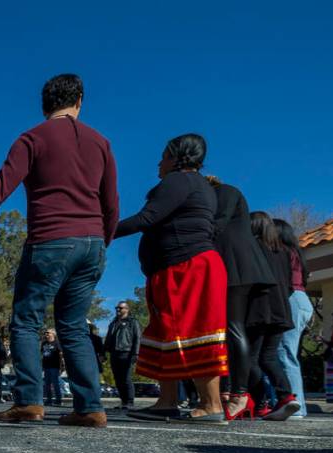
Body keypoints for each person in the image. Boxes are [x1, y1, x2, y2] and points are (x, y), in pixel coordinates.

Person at [0, 74, 117, 428]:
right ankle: (90, 407)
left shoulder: (32, 138)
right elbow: (111, 203)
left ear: (44, 104)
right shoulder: (102, 143)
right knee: (74, 326)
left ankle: (29, 402)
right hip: (92, 244)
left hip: (51, 240)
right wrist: (102, 243)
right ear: (79, 100)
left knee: (26, 322)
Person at [115, 133, 228, 425]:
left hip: (188, 267)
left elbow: (146, 218)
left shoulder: (181, 181)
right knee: (168, 332)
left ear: (178, 158)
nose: (158, 162)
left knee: (194, 331)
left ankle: (211, 404)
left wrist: (103, 231)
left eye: (164, 156)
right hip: (175, 268)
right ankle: (166, 402)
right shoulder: (197, 185)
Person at [206, 176, 281, 420]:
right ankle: (234, 393)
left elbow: (219, 223)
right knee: (230, 329)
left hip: (236, 265)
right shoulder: (222, 194)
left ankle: (239, 393)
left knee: (234, 328)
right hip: (233, 264)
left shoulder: (225, 191)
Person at [246, 212, 300, 421]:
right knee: (269, 356)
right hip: (281, 309)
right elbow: (289, 283)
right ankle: (285, 396)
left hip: (259, 307)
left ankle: (261, 401)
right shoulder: (284, 252)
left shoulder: (253, 248)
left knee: (249, 359)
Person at [274, 218, 312, 418]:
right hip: (302, 299)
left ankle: (294, 406)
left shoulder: (282, 252)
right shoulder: (296, 252)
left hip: (291, 299)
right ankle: (299, 407)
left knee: (284, 353)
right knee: (288, 353)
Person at [104, 301, 141, 410]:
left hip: (126, 352)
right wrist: (103, 352)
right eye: (116, 308)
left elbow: (138, 338)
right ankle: (123, 401)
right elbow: (108, 339)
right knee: (118, 378)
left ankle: (130, 401)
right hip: (114, 353)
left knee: (126, 378)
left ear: (127, 309)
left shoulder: (133, 322)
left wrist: (136, 353)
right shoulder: (113, 323)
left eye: (120, 308)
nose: (118, 310)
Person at [41, 329, 63, 407]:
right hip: (46, 367)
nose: (46, 334)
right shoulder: (44, 343)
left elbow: (60, 355)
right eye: (45, 333)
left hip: (54, 367)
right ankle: (49, 400)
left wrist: (60, 366)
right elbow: (42, 354)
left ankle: (58, 400)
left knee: (55, 383)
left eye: (48, 333)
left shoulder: (57, 343)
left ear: (53, 334)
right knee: (47, 384)